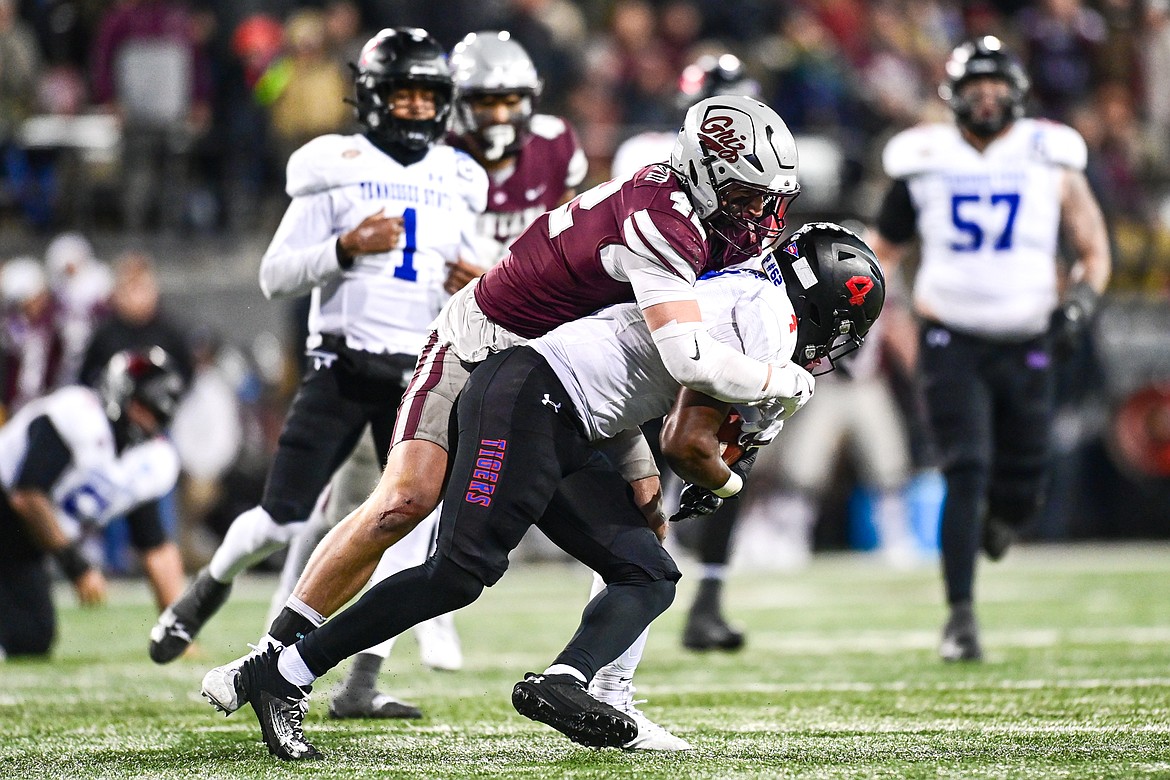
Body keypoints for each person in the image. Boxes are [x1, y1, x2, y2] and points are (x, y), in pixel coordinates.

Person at [197, 93, 807, 750]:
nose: (762, 216)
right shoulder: (667, 220)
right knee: (404, 501)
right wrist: (785, 386)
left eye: (770, 199)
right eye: (748, 196)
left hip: (562, 369)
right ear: (707, 173)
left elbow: (636, 346)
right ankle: (273, 657)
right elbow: (688, 356)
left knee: (645, 513)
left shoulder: (690, 218)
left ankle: (611, 692)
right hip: (482, 342)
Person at [148, 27, 488, 665]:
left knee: (406, 519)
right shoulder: (334, 164)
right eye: (402, 93)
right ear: (371, 96)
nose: (415, 107)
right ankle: (208, 586)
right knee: (280, 519)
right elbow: (274, 275)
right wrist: (345, 248)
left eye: (426, 95)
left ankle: (357, 677)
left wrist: (478, 283)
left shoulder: (460, 174)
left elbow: (482, 267)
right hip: (343, 365)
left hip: (419, 376)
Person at [322, 29, 589, 721]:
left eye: (510, 101)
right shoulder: (430, 156)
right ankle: (302, 655)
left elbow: (572, 235)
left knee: (427, 510)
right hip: (437, 342)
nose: (499, 116)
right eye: (485, 101)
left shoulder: (558, 146)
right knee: (386, 507)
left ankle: (604, 665)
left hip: (531, 343)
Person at [865, 36, 1112, 662]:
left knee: (1024, 482)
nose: (985, 98)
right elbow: (880, 254)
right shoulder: (924, 158)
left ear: (1017, 94)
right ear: (952, 95)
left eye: (995, 86)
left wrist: (1080, 303)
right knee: (965, 468)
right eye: (973, 87)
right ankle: (960, 617)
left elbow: (1092, 249)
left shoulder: (1048, 153)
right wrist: (871, 315)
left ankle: (1006, 518)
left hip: (1029, 335)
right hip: (951, 337)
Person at [609, 52, 761, 653]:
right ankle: (624, 611)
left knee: (724, 467)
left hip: (715, 329)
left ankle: (707, 603)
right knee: (641, 481)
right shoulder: (648, 156)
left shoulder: (761, 173)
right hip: (657, 329)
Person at [0, 348, 185, 658]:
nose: (147, 419)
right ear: (122, 395)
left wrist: (180, 633)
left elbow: (156, 549)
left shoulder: (151, 459)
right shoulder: (78, 413)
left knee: (31, 637)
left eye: (155, 412)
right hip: (7, 512)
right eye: (142, 406)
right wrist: (78, 567)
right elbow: (28, 495)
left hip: (21, 545)